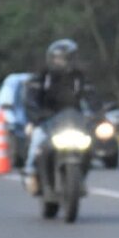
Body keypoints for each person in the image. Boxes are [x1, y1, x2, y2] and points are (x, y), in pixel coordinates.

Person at [22, 38, 88, 194]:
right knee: (37, 141)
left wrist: (98, 114)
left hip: (74, 121)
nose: (60, 61)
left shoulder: (79, 78)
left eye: (64, 58)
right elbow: (30, 99)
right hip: (47, 120)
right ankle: (31, 174)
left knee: (89, 145)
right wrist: (37, 116)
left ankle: (81, 178)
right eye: (57, 57)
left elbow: (91, 97)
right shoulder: (42, 77)